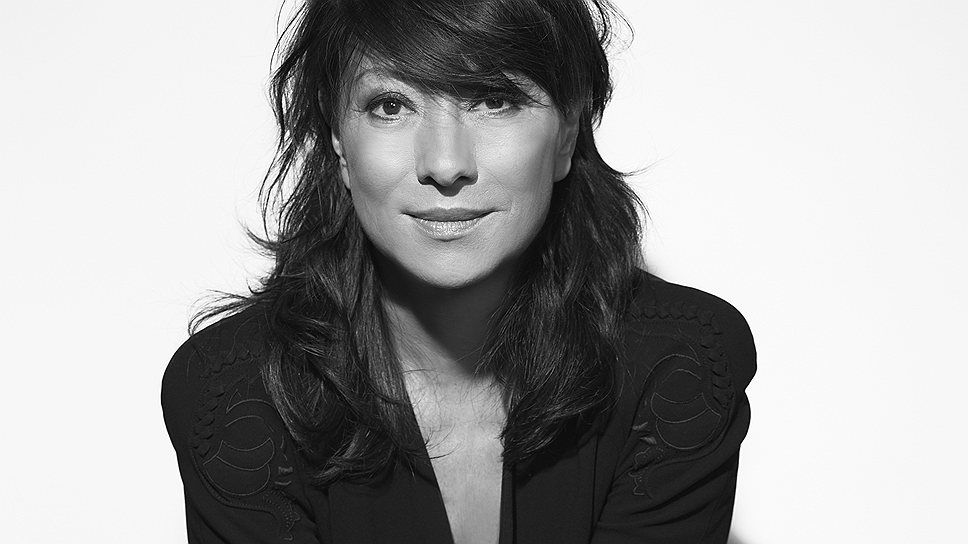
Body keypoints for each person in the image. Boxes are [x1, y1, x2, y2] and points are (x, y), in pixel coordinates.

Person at [161, 0, 756, 542]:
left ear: (568, 131)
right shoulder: (235, 393)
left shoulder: (679, 364)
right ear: (338, 139)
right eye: (391, 106)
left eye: (495, 100)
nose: (446, 165)